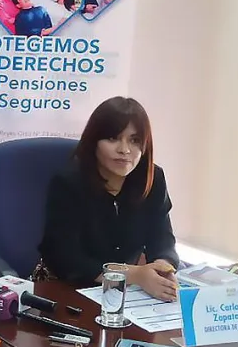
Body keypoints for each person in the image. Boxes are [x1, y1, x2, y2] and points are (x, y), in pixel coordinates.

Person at [38, 97, 180, 301]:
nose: (124, 150)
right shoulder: (68, 183)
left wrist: (162, 267)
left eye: (134, 140)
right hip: (67, 291)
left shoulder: (152, 178)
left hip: (124, 294)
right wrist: (135, 275)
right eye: (113, 139)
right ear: (93, 141)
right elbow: (65, 260)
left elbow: (163, 239)